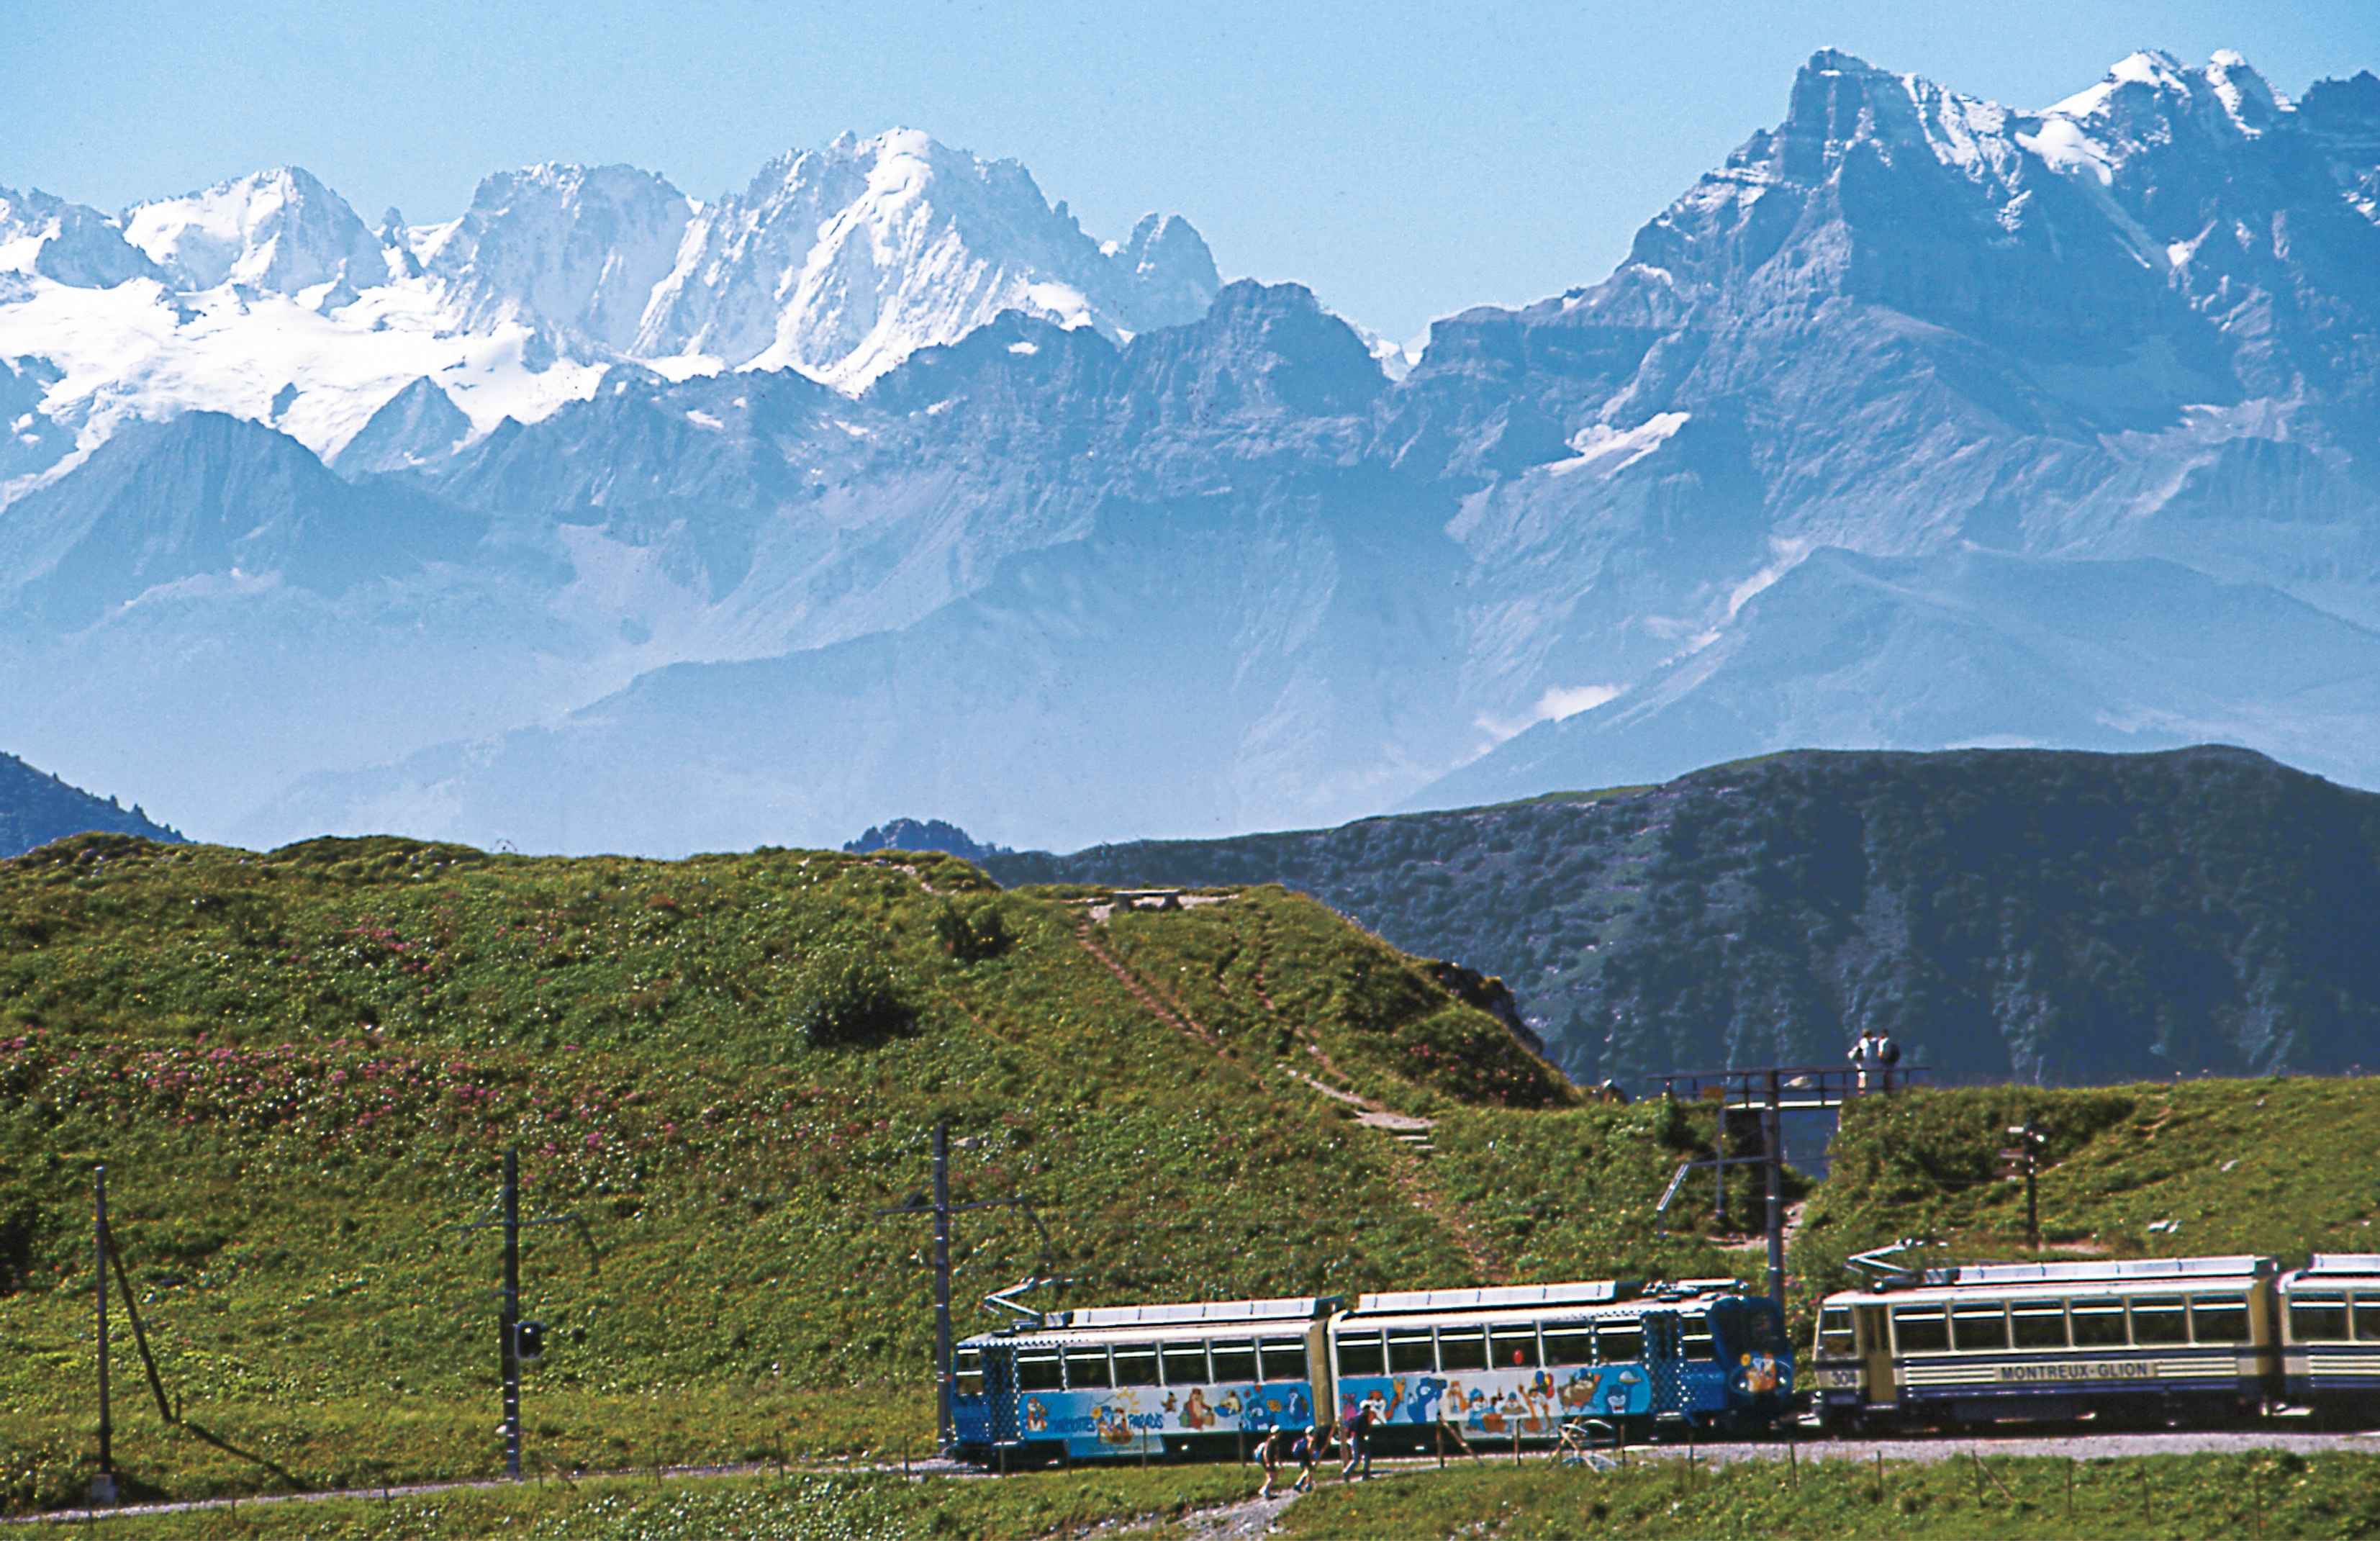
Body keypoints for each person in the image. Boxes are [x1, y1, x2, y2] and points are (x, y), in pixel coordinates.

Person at [1340, 1402, 1375, 1481]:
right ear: (1363, 1409)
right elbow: (1352, 1428)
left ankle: (1366, 1475)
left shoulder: (1364, 1418)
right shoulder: (1359, 1418)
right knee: (1356, 1460)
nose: (1368, 1410)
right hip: (1357, 1439)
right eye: (1366, 1408)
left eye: (1368, 1408)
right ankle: (1346, 1472)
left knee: (1367, 1456)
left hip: (1361, 1439)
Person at [1256, 1425, 1289, 1500]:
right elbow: (1266, 1453)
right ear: (1276, 1433)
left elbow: (1277, 1455)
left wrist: (1280, 1465)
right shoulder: (1271, 1441)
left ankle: (1266, 1491)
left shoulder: (1275, 1441)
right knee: (1273, 1477)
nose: (1280, 1434)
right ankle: (1264, 1491)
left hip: (1269, 1461)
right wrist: (1268, 1463)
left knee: (1272, 1477)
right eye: (1279, 1432)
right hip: (1268, 1461)